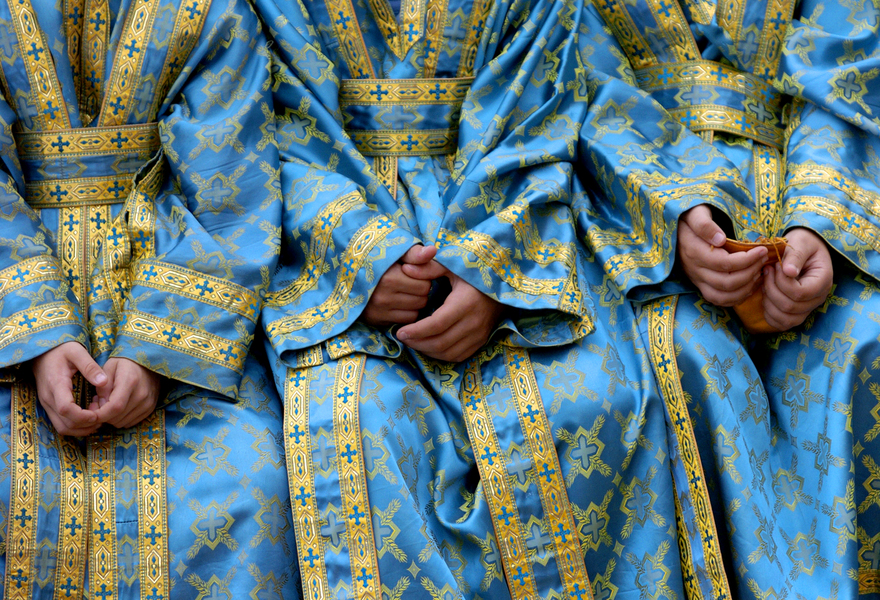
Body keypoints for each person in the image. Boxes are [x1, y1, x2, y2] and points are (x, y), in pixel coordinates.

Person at [249, 0, 779, 596]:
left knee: (600, 405)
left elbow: (544, 99)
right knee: (357, 429)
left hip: (510, 230)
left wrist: (490, 266)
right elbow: (261, 131)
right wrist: (361, 257)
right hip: (337, 266)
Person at [0, 1, 300, 598]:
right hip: (15, 316)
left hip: (170, 288)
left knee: (254, 488)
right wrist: (36, 334)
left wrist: (157, 353)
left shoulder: (212, 10)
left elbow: (229, 183)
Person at [581, 0, 880, 596]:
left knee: (867, 341)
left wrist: (817, 226)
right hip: (641, 226)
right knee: (679, 360)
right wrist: (680, 214)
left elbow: (847, 63)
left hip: (818, 202)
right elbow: (581, 78)